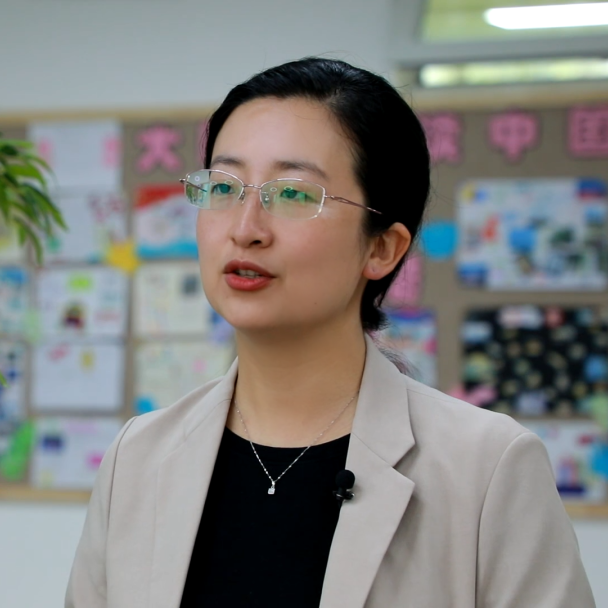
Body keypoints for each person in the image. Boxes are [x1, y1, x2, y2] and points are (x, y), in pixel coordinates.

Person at [65, 58, 595, 608]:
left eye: (293, 194)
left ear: (382, 248)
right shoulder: (138, 457)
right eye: (223, 187)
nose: (245, 229)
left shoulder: (486, 467)